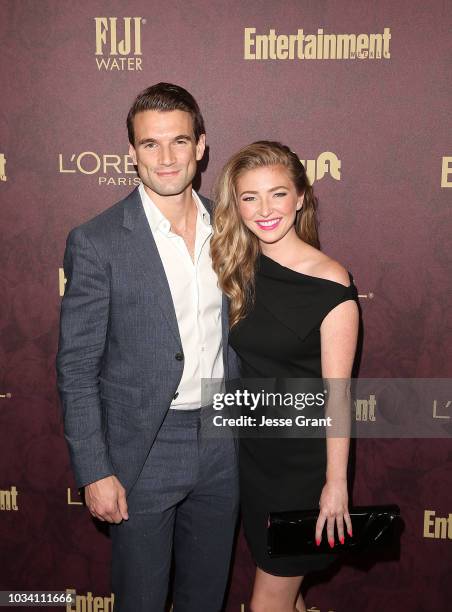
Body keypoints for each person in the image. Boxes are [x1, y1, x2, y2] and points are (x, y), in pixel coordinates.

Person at [56, 83, 240, 612]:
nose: (166, 157)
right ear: (131, 153)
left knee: (206, 597)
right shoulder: (97, 240)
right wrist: (94, 468)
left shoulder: (231, 227)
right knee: (139, 600)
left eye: (179, 141)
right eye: (151, 144)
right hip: (143, 448)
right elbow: (76, 367)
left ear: (201, 146)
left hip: (222, 442)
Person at [211, 141, 359, 612]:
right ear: (236, 204)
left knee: (267, 603)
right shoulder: (237, 267)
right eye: (249, 197)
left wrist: (335, 483)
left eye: (278, 194)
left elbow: (338, 396)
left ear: (301, 198)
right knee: (285, 598)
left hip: (303, 467)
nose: (264, 209)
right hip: (253, 459)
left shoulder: (331, 282)